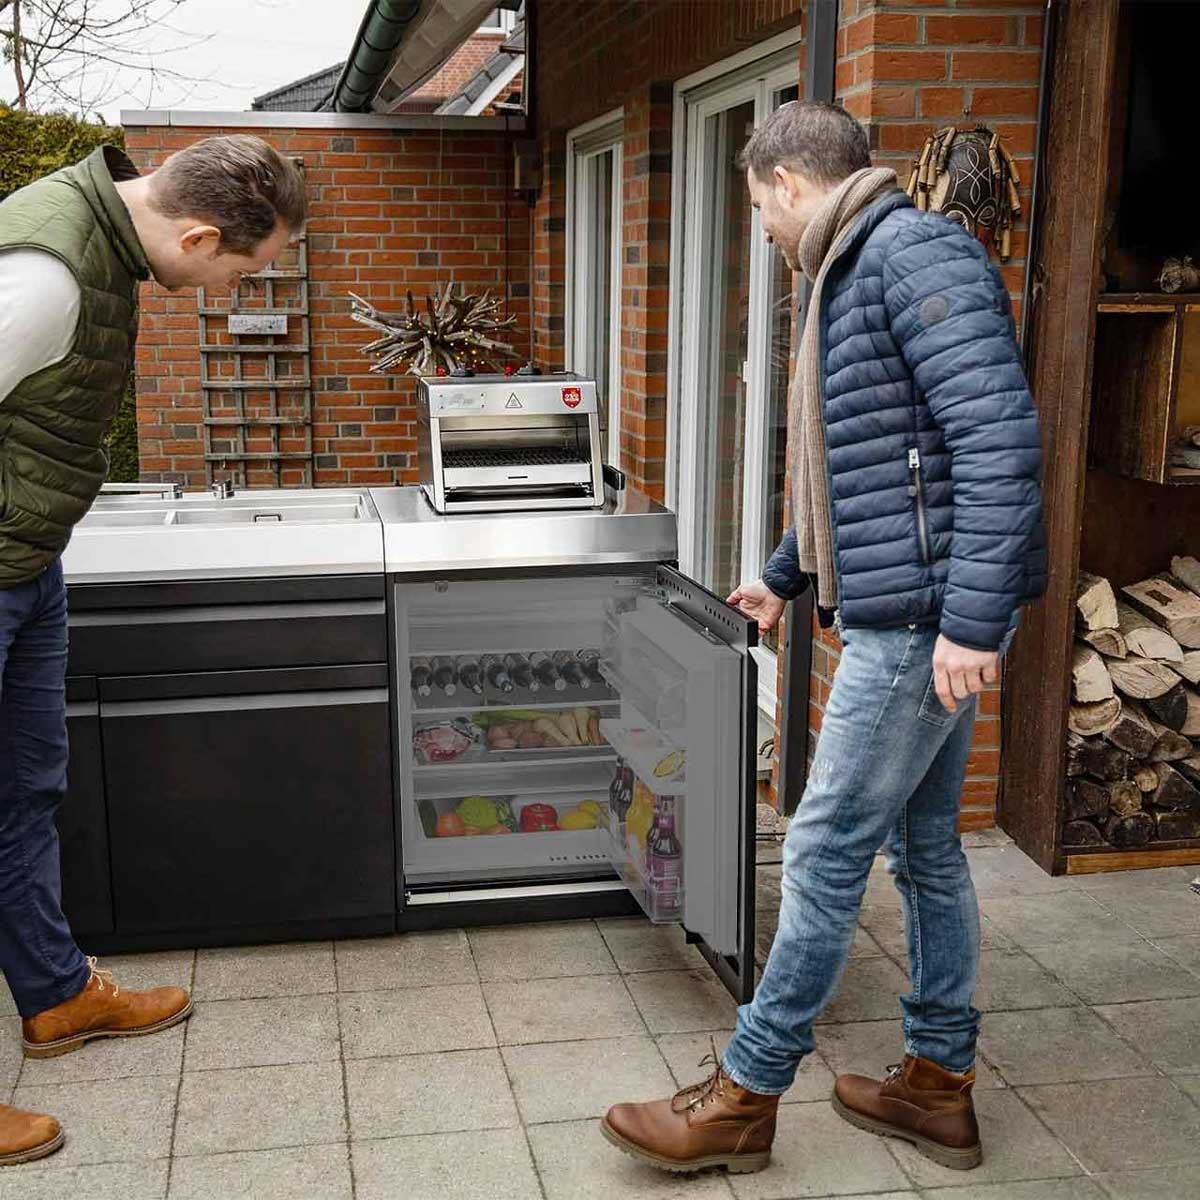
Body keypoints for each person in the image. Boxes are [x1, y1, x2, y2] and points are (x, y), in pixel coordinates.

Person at [601, 100, 1045, 1175]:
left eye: (756, 207)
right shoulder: (856, 266)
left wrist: (971, 623)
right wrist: (785, 573)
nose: (758, 227)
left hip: (920, 626)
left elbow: (996, 440)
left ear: (790, 183)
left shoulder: (908, 254)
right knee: (925, 848)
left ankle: (745, 1095)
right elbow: (873, 458)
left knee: (823, 848)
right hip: (923, 611)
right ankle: (938, 1085)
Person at [0, 134, 307, 1165]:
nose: (232, 289)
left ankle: (54, 998)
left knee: (25, 794)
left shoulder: (106, 245)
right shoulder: (45, 275)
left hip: (24, 569)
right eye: (241, 271)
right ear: (198, 233)